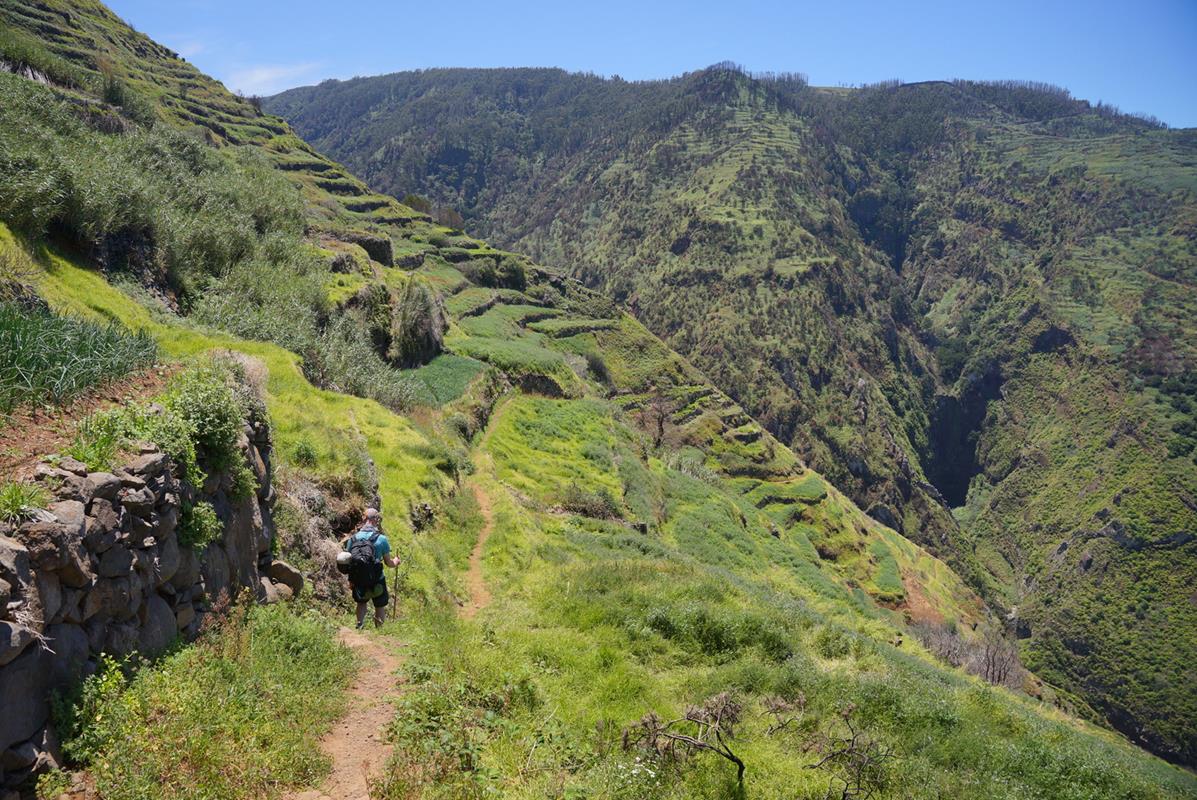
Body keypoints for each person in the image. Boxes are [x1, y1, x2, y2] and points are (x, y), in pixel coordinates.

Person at [343, 508, 400, 629]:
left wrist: (351, 580)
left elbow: (349, 561)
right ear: (376, 520)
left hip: (358, 578)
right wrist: (396, 561)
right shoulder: (381, 539)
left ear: (363, 520)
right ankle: (379, 631)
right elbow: (388, 563)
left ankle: (359, 625)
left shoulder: (353, 539)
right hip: (377, 579)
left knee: (361, 603)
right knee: (379, 606)